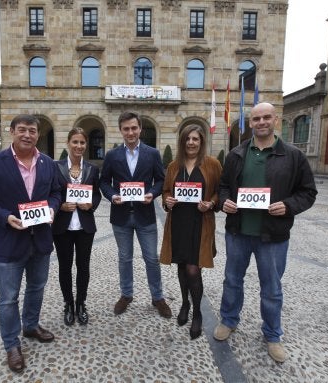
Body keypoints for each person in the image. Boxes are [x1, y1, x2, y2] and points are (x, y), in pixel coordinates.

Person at [214, 102, 317, 363]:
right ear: (250, 123)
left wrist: (289, 205)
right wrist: (223, 201)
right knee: (232, 280)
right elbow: (224, 187)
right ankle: (229, 320)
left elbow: (308, 192)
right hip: (238, 231)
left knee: (271, 288)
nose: (261, 122)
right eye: (256, 118)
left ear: (276, 120)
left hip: (273, 235)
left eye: (266, 117)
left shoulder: (293, 156)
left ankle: (272, 335)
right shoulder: (236, 154)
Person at [0, 114, 61, 373]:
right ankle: (11, 344)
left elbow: (56, 193)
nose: (27, 135)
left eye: (32, 130)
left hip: (40, 240)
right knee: (8, 298)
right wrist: (4, 217)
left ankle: (30, 326)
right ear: (11, 132)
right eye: (22, 130)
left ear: (37, 135)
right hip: (9, 242)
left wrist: (52, 209)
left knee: (37, 287)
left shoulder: (47, 163)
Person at [99, 110, 172, 319]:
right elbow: (104, 181)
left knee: (151, 258)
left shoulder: (152, 154)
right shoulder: (112, 155)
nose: (130, 132)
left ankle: (157, 297)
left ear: (140, 128)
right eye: (126, 129)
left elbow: (161, 180)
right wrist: (112, 195)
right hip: (121, 216)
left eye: (134, 128)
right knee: (124, 258)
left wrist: (152, 193)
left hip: (145, 215)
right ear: (120, 131)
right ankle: (126, 294)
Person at [160, 124, 222, 340]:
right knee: (181, 267)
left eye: (195, 139)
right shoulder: (173, 166)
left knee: (194, 270)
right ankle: (184, 303)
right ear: (182, 141)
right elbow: (166, 191)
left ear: (201, 141)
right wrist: (167, 200)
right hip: (178, 222)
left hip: (200, 223)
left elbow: (219, 192)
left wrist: (211, 203)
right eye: (187, 139)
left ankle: (197, 313)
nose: (191, 143)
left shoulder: (212, 164)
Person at [52, 128, 101, 326]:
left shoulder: (92, 169)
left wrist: (92, 205)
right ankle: (68, 303)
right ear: (68, 143)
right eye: (75, 142)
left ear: (85, 145)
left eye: (82, 143)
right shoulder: (56, 167)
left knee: (83, 267)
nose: (79, 146)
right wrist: (59, 206)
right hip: (62, 226)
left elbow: (96, 194)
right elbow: (51, 192)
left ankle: (81, 303)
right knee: (64, 268)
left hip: (84, 226)